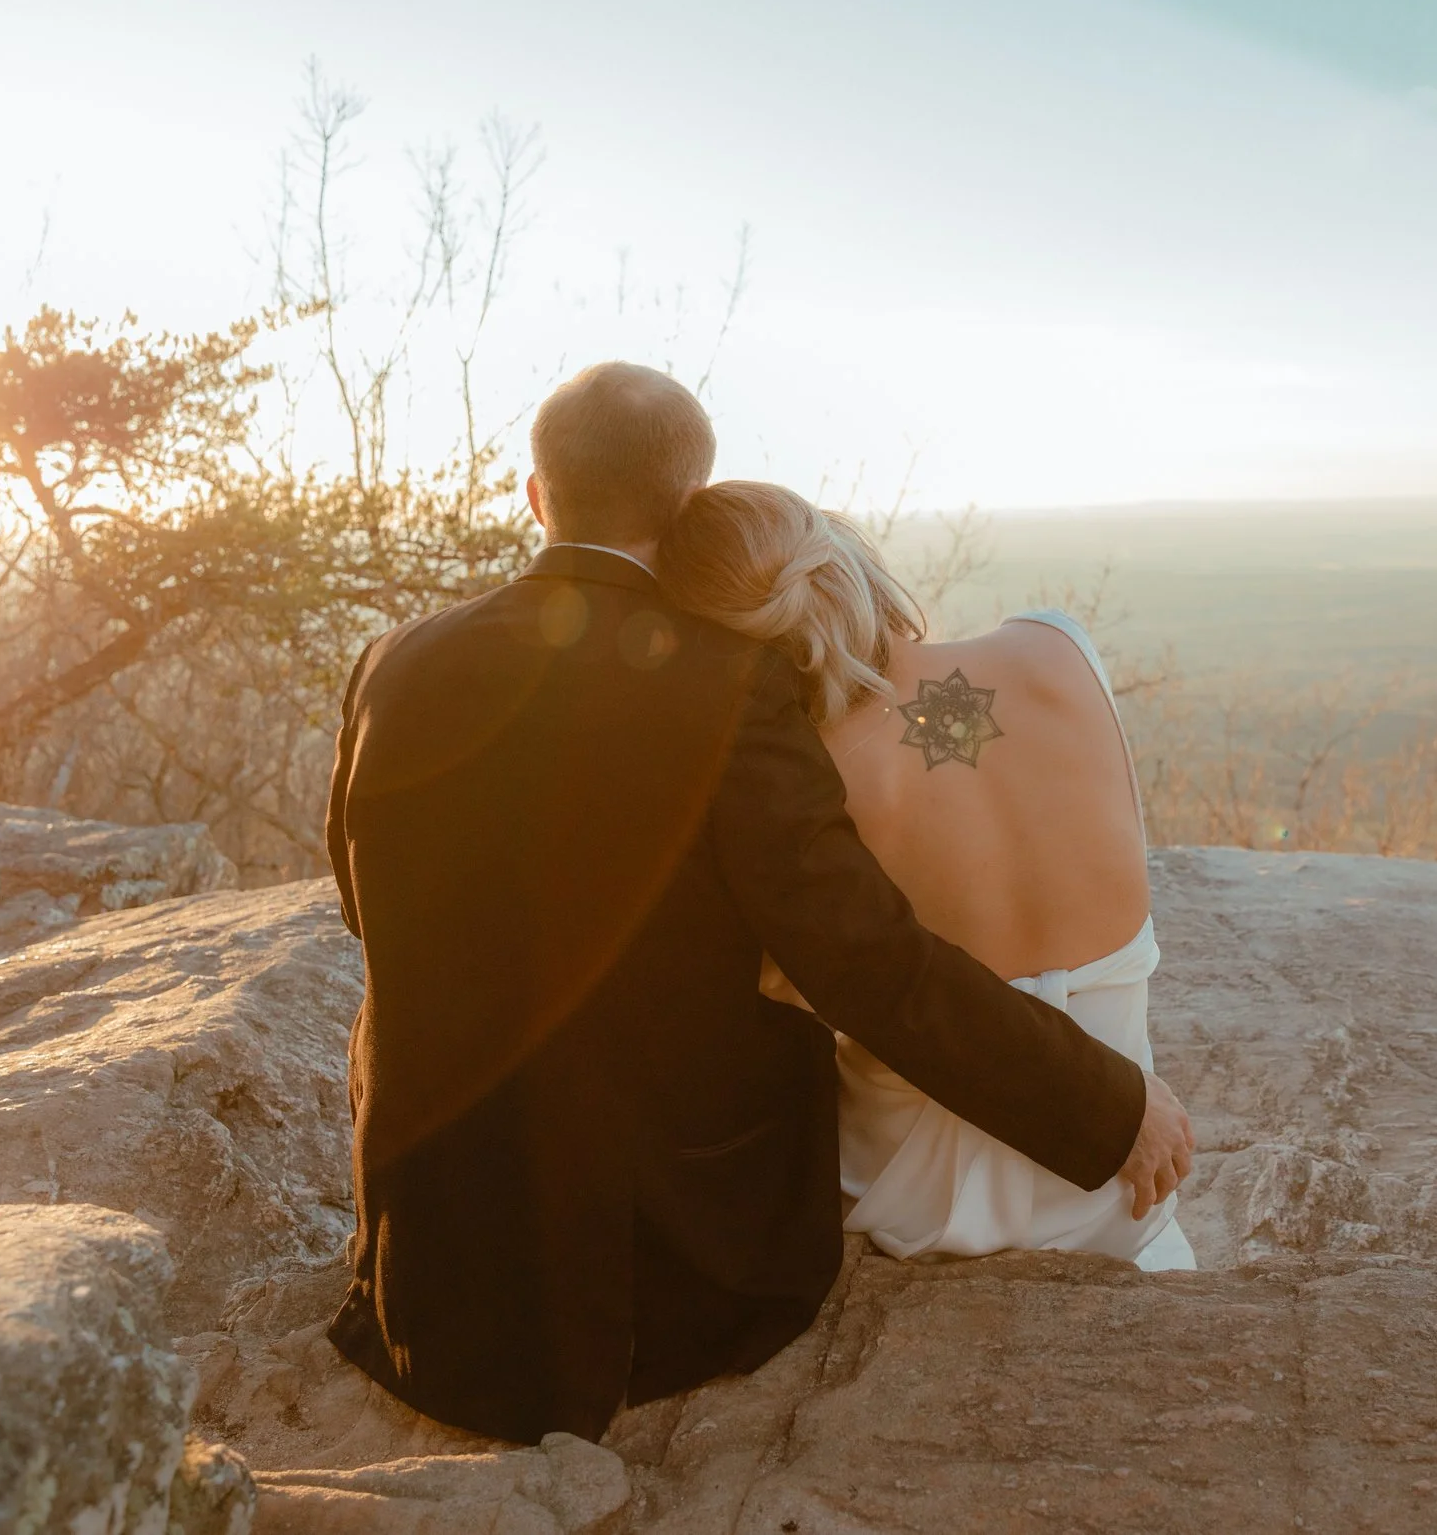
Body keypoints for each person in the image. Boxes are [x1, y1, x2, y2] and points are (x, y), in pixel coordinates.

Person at [324, 362, 1195, 1445]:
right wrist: (1107, 1107)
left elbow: (366, 908)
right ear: (687, 500)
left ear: (538, 494)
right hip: (671, 1284)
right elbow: (862, 960)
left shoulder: (393, 661)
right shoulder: (730, 686)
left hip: (435, 1269)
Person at [657, 482, 1195, 1271]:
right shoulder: (1058, 646)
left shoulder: (804, 797)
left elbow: (789, 990)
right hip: (1120, 1193)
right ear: (847, 557)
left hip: (910, 1204)